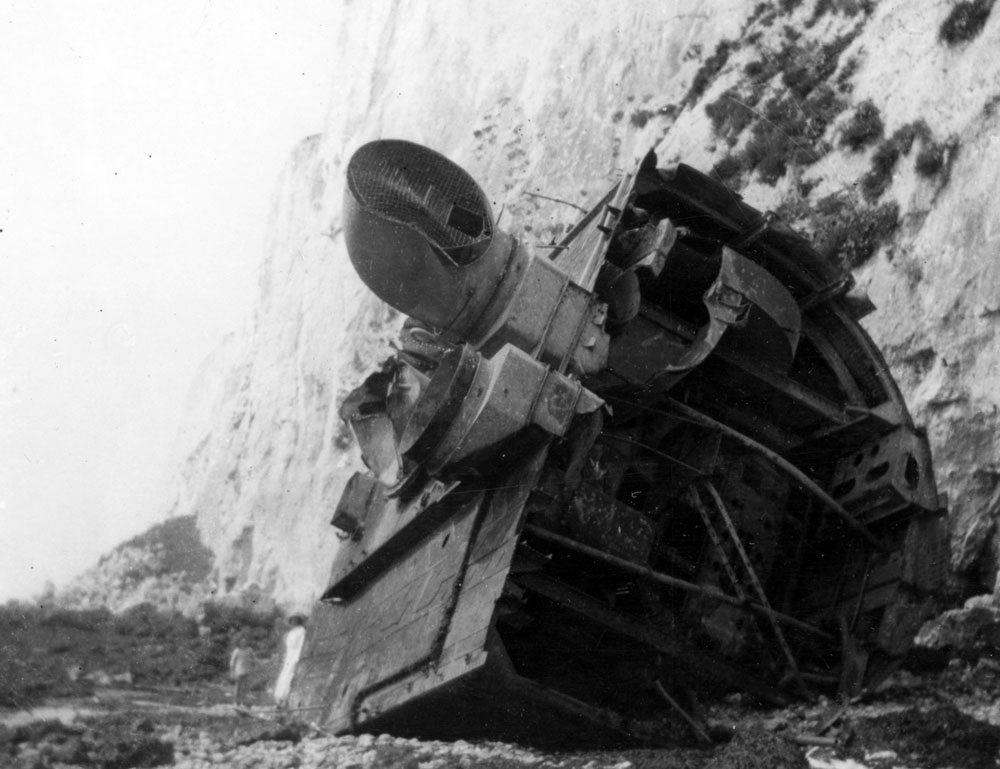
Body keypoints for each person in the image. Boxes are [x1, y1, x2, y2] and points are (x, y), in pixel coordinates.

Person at [273, 614, 307, 708]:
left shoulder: (302, 631)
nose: (294, 622)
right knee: (284, 677)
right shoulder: (292, 632)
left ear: (299, 621)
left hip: (296, 656)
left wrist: (298, 658)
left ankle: (285, 701)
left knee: (290, 677)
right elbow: (288, 647)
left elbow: (301, 645)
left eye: (296, 620)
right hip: (289, 656)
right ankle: (279, 700)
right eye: (292, 620)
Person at [228, 635, 254, 707]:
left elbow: (253, 658)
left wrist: (252, 663)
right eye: (242, 642)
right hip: (238, 671)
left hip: (247, 671)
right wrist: (231, 672)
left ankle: (243, 702)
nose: (243, 643)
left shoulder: (249, 650)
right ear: (239, 643)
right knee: (238, 687)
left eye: (245, 642)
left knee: (245, 688)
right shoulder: (236, 650)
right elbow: (232, 662)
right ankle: (236, 702)